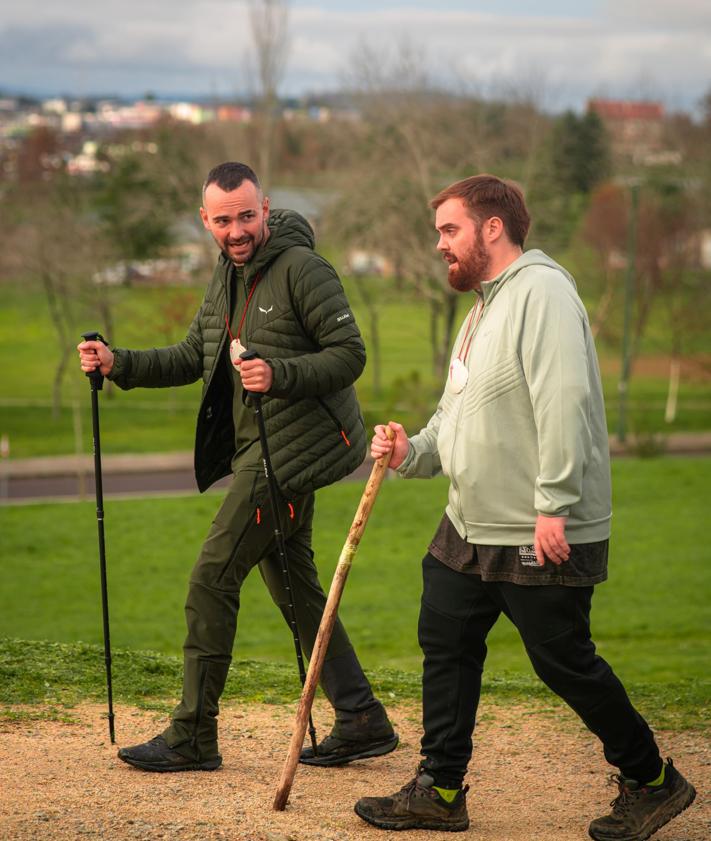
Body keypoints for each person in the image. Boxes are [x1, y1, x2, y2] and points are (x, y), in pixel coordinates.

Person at [354, 175, 696, 839]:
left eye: (448, 230)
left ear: (490, 228)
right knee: (445, 637)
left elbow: (563, 397)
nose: (438, 245)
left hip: (536, 522)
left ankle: (652, 780)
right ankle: (440, 787)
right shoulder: (483, 308)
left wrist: (554, 503)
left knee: (560, 658)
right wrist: (410, 451)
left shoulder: (542, 291)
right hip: (471, 521)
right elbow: (457, 412)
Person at [78, 161, 397, 772]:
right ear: (206, 221)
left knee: (211, 577)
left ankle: (194, 733)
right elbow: (192, 356)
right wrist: (117, 362)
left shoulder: (304, 270)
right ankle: (360, 717)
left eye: (246, 216)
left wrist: (280, 374)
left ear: (266, 209)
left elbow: (350, 355)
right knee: (292, 582)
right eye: (223, 220)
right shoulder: (226, 277)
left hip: (292, 454)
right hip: (260, 451)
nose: (236, 229)